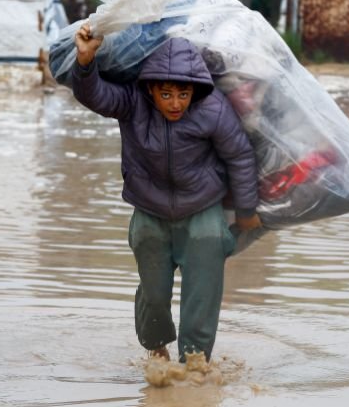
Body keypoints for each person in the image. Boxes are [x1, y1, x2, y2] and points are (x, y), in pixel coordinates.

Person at [72, 23, 262, 362]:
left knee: (202, 295)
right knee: (154, 294)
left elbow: (239, 156)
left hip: (202, 211)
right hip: (149, 211)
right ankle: (156, 351)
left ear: (196, 90)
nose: (175, 103)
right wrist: (85, 62)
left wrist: (246, 210)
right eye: (166, 94)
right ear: (150, 90)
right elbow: (95, 95)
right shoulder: (132, 103)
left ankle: (195, 365)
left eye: (183, 94)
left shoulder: (213, 108)